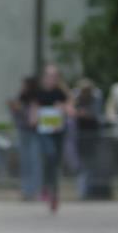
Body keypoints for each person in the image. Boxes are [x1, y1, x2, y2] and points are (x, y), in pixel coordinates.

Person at [29, 63, 71, 213]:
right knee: (49, 155)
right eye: (49, 75)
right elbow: (33, 112)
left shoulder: (61, 92)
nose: (52, 79)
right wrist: (34, 117)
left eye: (54, 76)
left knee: (56, 162)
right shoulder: (39, 93)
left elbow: (70, 110)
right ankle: (45, 187)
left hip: (58, 132)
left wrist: (63, 108)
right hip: (44, 132)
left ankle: (54, 193)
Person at [71, 78, 110, 200]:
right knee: (82, 165)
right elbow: (72, 111)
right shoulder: (76, 96)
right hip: (80, 135)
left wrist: (85, 114)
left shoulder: (96, 96)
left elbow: (95, 114)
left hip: (93, 135)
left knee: (91, 164)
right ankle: (83, 190)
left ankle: (89, 190)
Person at [8, 76, 41, 201]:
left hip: (35, 132)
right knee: (25, 162)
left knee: (35, 161)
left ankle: (35, 190)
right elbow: (17, 116)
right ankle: (26, 189)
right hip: (23, 131)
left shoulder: (36, 99)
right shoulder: (20, 98)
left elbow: (33, 118)